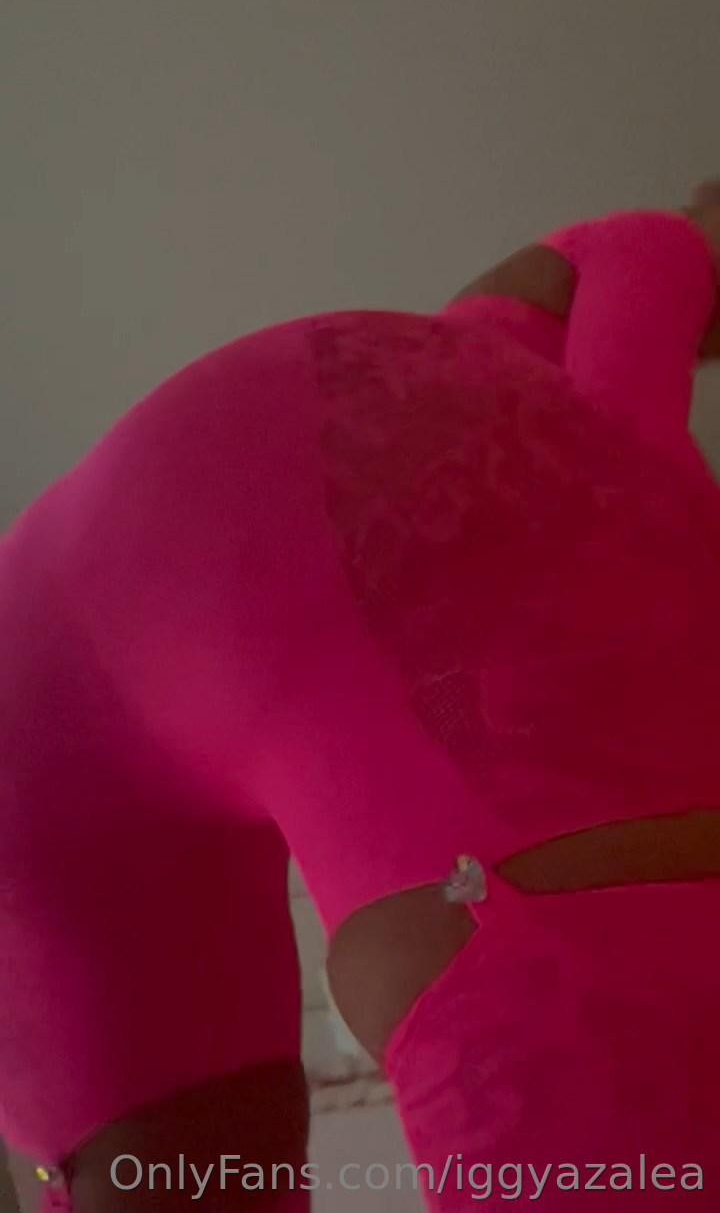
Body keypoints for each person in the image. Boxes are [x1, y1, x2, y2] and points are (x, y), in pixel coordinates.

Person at [2, 185, 720, 1211]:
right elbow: (629, 454)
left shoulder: (485, 344)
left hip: (49, 643)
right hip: (235, 565)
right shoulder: (651, 259)